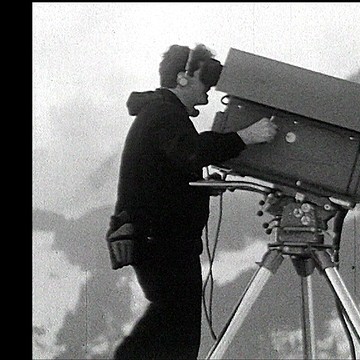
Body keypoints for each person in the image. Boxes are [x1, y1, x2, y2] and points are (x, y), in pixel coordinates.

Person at [106, 43, 278, 360]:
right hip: (162, 244)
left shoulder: (162, 112)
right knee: (176, 335)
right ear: (183, 78)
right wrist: (246, 136)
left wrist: (199, 187)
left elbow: (166, 174)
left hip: (162, 242)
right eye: (204, 79)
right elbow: (192, 152)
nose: (209, 89)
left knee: (170, 329)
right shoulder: (163, 114)